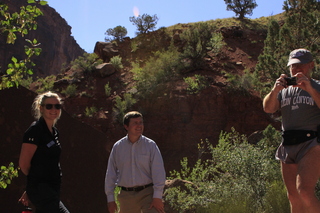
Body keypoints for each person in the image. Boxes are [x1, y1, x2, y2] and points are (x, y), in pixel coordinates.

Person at [263, 48, 320, 213]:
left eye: (301, 65)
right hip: (288, 144)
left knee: (305, 191)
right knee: (293, 196)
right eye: (293, 66)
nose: (296, 69)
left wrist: (309, 89)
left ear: (311, 65)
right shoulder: (284, 90)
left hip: (312, 144)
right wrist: (275, 90)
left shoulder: (316, 86)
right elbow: (268, 108)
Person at [105, 111, 166, 213]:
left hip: (147, 193)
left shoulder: (150, 145)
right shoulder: (118, 147)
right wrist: (110, 199)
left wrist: (157, 197)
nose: (139, 126)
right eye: (135, 123)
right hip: (126, 196)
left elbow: (158, 172)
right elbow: (111, 173)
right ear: (126, 126)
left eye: (141, 122)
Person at [18, 91, 70, 213]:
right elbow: (23, 164)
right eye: (49, 106)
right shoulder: (35, 131)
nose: (54, 109)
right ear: (41, 108)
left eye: (57, 106)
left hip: (52, 188)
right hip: (42, 190)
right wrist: (34, 185)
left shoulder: (54, 132)